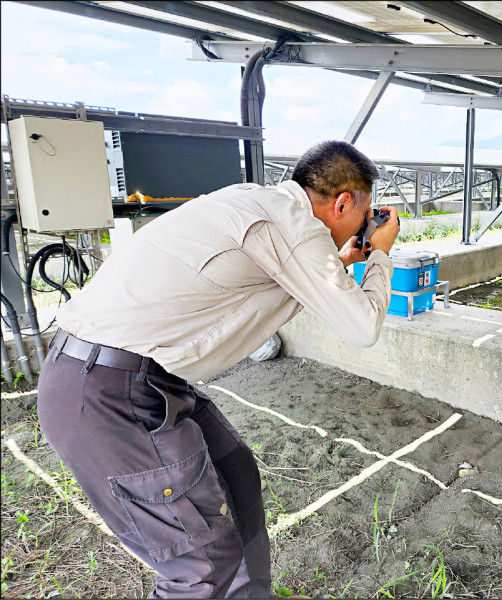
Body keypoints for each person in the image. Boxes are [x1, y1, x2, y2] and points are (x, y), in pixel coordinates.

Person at [36, 140, 400, 598]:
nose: (365, 226)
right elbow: (362, 325)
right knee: (199, 565)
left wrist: (346, 258)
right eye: (363, 216)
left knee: (236, 472)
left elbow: (277, 278)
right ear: (344, 201)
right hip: (112, 393)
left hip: (127, 375)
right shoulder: (294, 225)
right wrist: (382, 253)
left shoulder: (258, 204)